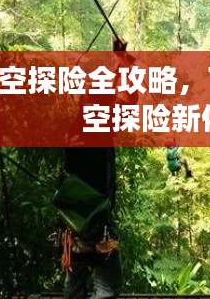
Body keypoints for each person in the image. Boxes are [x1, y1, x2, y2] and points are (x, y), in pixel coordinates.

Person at [61, 37, 136, 299]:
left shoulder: (75, 128)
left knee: (75, 284)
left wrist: (119, 61)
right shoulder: (101, 127)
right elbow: (130, 99)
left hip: (74, 221)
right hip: (95, 221)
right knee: (109, 287)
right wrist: (122, 62)